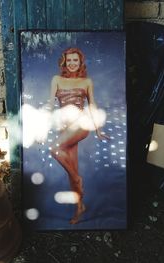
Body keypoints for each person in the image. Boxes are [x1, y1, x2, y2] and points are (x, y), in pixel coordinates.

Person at [47, 47, 109, 224]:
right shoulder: (56, 80)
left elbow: (93, 106)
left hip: (82, 124)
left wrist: (98, 129)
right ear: (64, 62)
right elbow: (51, 104)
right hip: (64, 129)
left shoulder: (86, 81)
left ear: (80, 62)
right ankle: (79, 206)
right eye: (69, 60)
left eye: (76, 60)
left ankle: (77, 178)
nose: (72, 63)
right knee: (71, 169)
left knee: (54, 149)